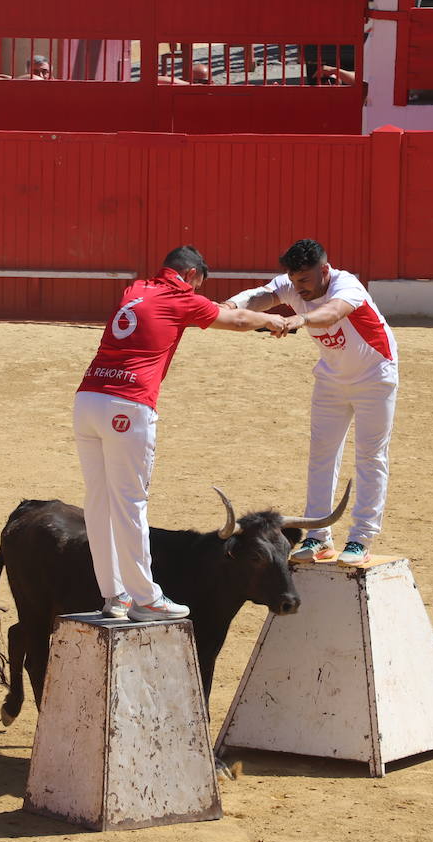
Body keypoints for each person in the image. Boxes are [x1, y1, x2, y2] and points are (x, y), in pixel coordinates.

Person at [74, 246, 287, 622]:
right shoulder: (180, 297)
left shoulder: (136, 288)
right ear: (191, 275)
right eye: (198, 284)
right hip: (129, 405)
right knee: (130, 504)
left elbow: (212, 310)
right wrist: (272, 321)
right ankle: (146, 597)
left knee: (99, 503)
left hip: (89, 398)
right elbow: (234, 321)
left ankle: (115, 596)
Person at [225, 239, 398, 568]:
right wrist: (231, 306)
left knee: (370, 456)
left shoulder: (347, 285)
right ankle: (319, 537)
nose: (297, 289)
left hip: (375, 375)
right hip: (331, 378)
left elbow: (334, 312)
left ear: (324, 271)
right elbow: (262, 296)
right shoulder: (293, 284)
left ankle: (361, 539)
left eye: (304, 281)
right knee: (321, 453)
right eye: (293, 280)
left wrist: (299, 321)